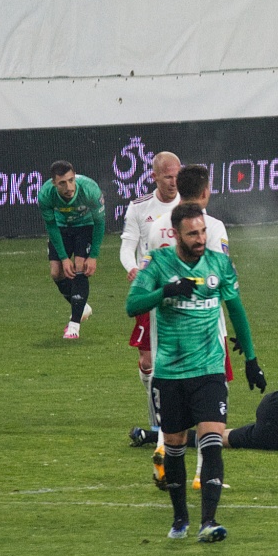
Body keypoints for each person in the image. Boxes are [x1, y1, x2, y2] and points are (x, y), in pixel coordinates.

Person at [126, 202, 267, 543]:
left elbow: (236, 310)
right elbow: (132, 305)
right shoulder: (158, 263)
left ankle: (209, 522)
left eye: (203, 231)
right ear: (176, 234)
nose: (200, 238)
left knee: (212, 440)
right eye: (193, 233)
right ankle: (179, 519)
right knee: (174, 445)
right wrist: (165, 292)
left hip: (209, 371)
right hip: (170, 374)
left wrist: (251, 359)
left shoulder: (219, 264)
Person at [130, 165, 235, 492]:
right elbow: (219, 278)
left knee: (172, 403)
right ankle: (204, 476)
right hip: (204, 329)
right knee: (214, 403)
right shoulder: (212, 227)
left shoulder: (159, 225)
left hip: (166, 327)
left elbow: (147, 278)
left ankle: (164, 448)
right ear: (205, 191)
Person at [120, 152, 182, 442]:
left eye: (177, 175)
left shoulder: (189, 205)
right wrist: (133, 268)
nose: (174, 182)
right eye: (168, 176)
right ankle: (157, 421)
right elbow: (127, 246)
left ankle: (171, 423)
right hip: (152, 290)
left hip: (183, 292)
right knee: (147, 360)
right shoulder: (139, 208)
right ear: (154, 176)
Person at [37, 160, 105, 339]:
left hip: (85, 225)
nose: (68, 187)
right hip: (61, 228)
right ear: (54, 183)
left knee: (80, 266)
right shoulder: (45, 194)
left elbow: (100, 223)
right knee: (56, 273)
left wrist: (94, 255)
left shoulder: (89, 189)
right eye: (62, 183)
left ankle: (74, 326)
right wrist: (63, 258)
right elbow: (51, 226)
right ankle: (82, 306)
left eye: (71, 180)